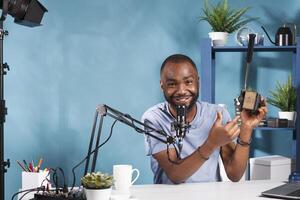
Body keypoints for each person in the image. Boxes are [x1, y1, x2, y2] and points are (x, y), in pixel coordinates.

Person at [142, 54, 267, 184]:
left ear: (198, 81)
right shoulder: (154, 118)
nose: (181, 90)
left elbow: (234, 174)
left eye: (188, 82)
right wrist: (211, 143)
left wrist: (246, 129)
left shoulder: (217, 115)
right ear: (162, 86)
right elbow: (175, 174)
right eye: (172, 84)